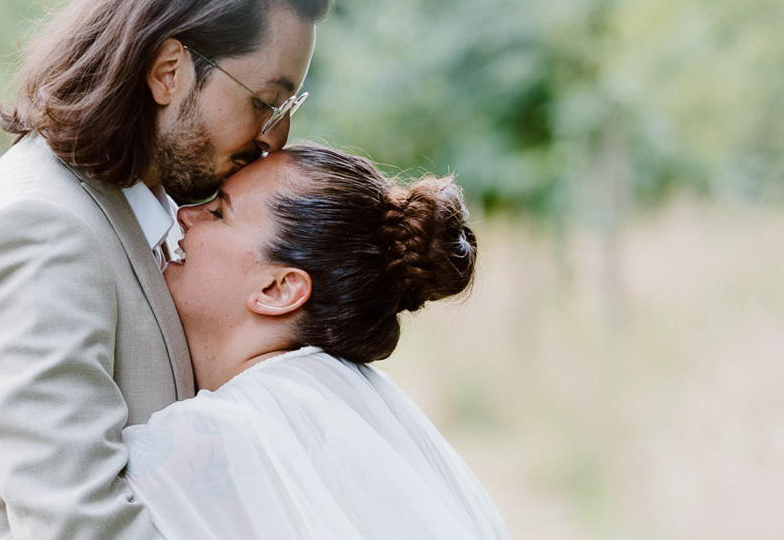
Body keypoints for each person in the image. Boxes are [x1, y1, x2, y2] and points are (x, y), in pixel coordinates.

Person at [0, 0, 332, 540]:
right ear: (169, 71)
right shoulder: (42, 228)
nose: (276, 138)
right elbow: (82, 526)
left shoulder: (131, 214)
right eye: (266, 102)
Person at [123, 144, 511, 539]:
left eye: (219, 212)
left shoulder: (213, 434)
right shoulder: (347, 401)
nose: (186, 215)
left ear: (278, 289)